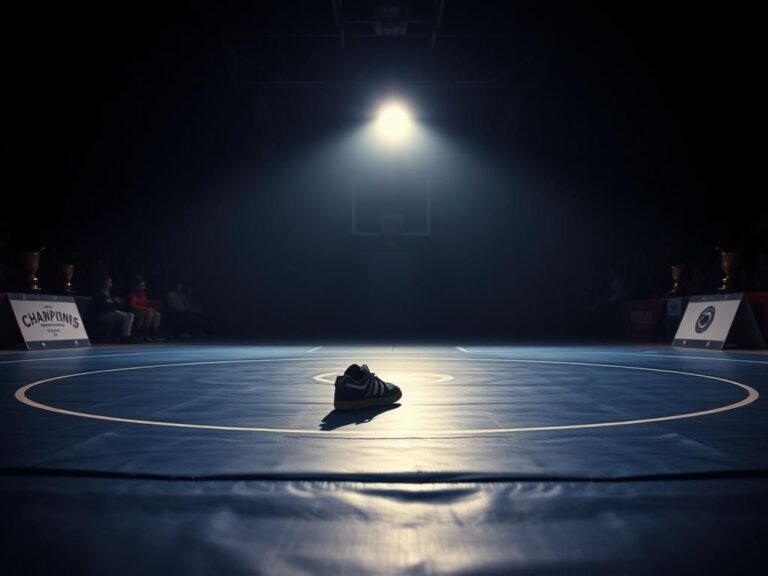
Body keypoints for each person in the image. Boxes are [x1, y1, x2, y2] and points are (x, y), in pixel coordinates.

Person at [91, 276, 134, 342]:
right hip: (103, 314)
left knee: (130, 315)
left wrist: (117, 302)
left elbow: (115, 304)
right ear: (104, 282)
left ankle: (126, 335)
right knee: (124, 316)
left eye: (110, 281)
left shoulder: (111, 294)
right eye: (108, 281)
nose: (110, 282)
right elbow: (103, 306)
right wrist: (112, 304)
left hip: (114, 312)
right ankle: (125, 337)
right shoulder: (98, 293)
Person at [128, 275, 162, 341]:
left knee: (157, 314)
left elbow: (145, 303)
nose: (144, 286)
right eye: (142, 285)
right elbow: (133, 306)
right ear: (137, 285)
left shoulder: (143, 293)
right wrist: (145, 309)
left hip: (143, 310)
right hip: (135, 311)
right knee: (148, 313)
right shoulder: (132, 294)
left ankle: (154, 333)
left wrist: (151, 307)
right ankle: (141, 333)